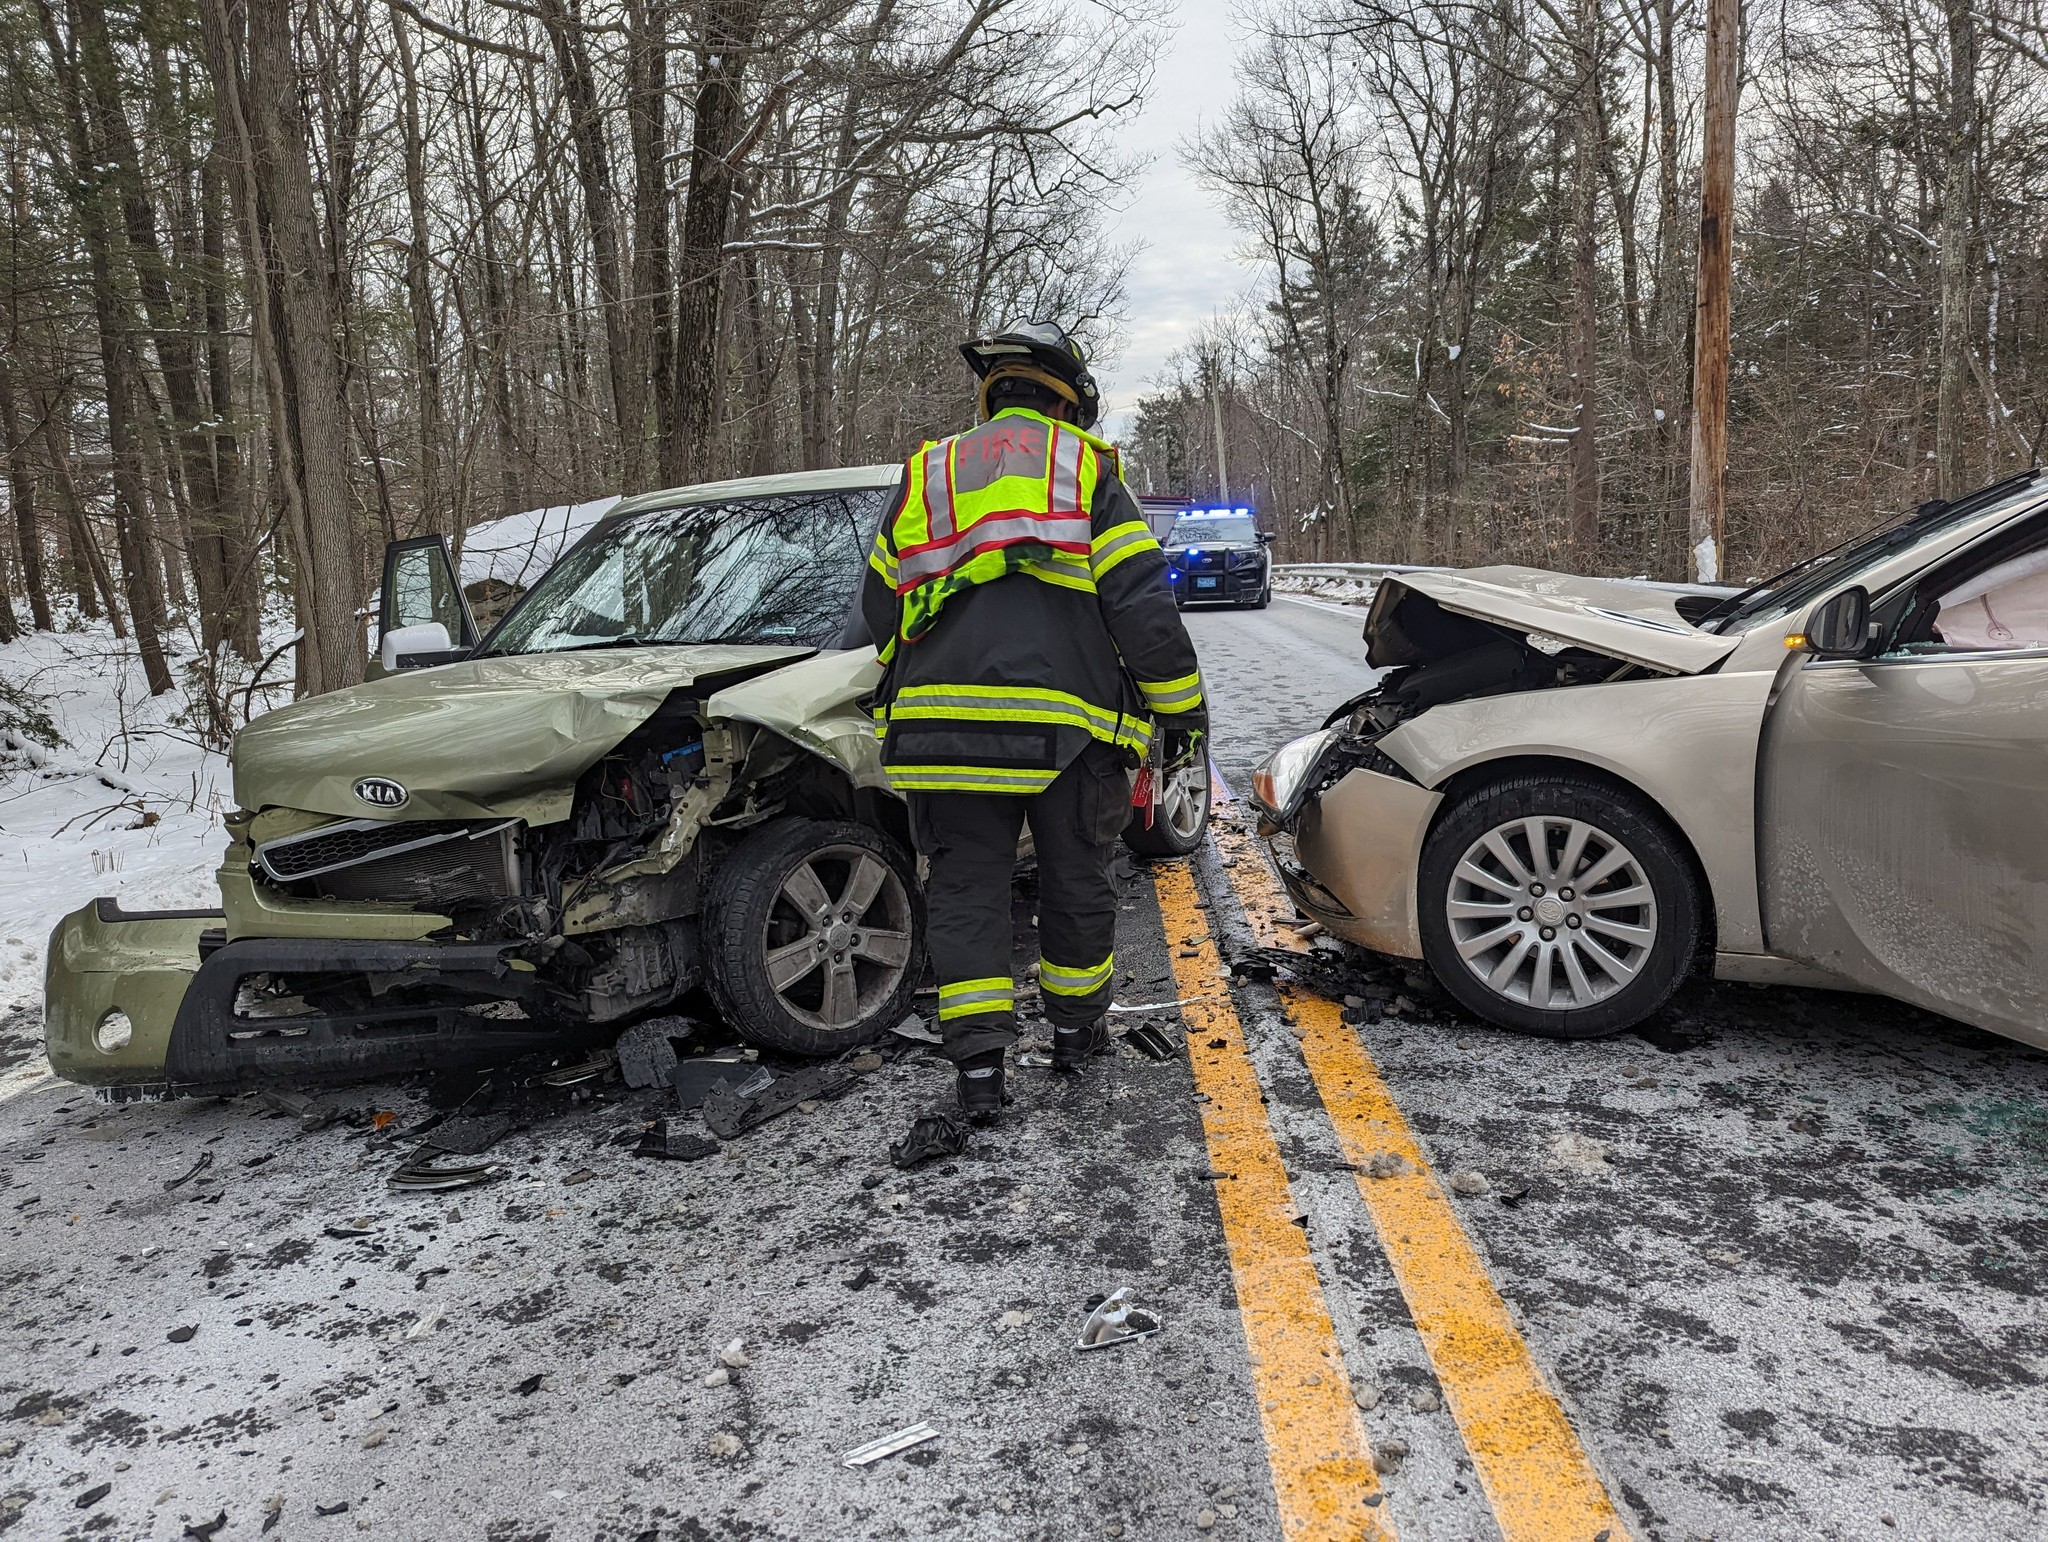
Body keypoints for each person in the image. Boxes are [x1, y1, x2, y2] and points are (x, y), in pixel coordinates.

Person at [861, 321, 1205, 1121]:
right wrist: (1181, 711)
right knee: (1074, 880)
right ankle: (1075, 1038)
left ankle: (979, 1072)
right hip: (1066, 735)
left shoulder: (927, 472)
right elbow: (1141, 605)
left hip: (942, 734)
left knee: (966, 888)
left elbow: (878, 605)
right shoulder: (1082, 467)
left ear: (991, 397)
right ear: (1069, 402)